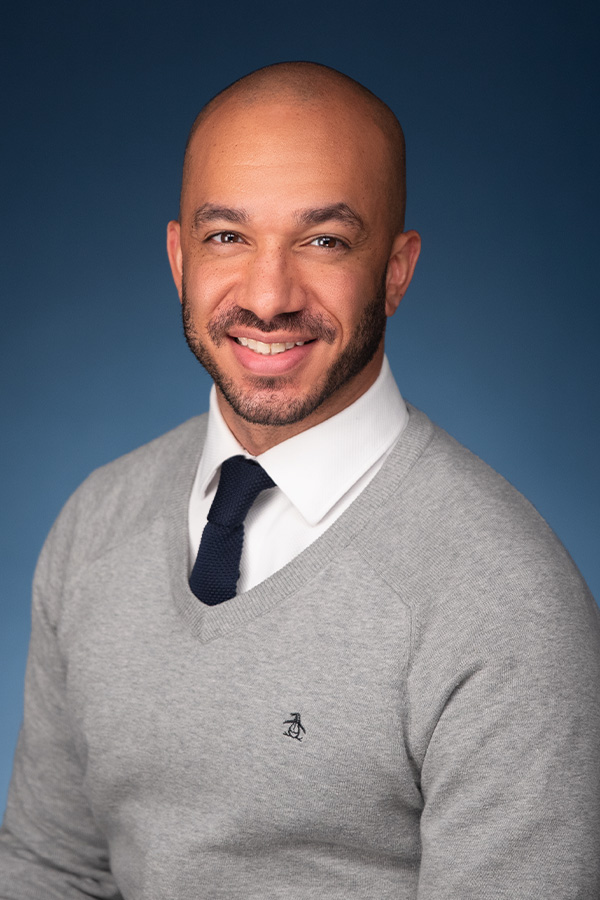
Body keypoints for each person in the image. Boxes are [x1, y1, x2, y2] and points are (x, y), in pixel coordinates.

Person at [1, 61, 599, 900]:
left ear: (395, 270)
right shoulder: (97, 521)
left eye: (323, 241)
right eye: (227, 237)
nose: (270, 295)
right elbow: (49, 871)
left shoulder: (501, 599)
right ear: (179, 258)